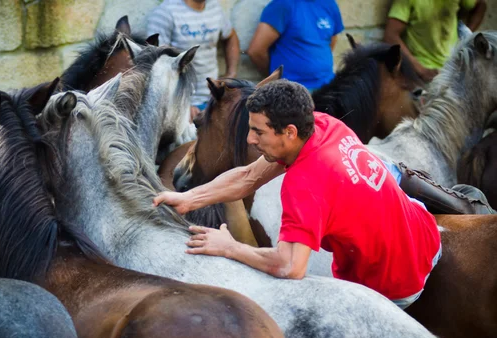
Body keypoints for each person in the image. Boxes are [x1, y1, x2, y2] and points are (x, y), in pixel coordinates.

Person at [153, 79, 492, 309]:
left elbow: (289, 267)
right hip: (422, 230)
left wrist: (230, 249)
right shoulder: (322, 125)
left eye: (257, 132)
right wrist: (190, 198)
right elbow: (247, 176)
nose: (250, 141)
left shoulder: (305, 186)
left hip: (395, 281)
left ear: (288, 132)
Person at [146, 0, 240, 120]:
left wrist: (231, 74)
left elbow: (230, 36)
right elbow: (158, 65)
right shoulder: (165, 13)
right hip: (182, 108)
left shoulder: (214, 7)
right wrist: (180, 105)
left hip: (215, 100)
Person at [247, 0, 344, 91]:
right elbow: (256, 51)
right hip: (291, 91)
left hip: (327, 87)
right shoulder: (282, 5)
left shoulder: (330, 4)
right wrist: (275, 77)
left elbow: (331, 41)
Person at [383, 0, 487, 83]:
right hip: (424, 73)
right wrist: (420, 70)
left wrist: (466, 36)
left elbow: (481, 5)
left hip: (451, 70)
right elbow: (390, 35)